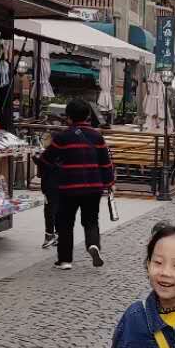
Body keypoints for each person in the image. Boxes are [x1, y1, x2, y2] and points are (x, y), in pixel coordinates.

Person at [39, 97, 115, 270]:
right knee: (91, 220)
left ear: (68, 117)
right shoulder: (97, 136)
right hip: (93, 187)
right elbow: (106, 163)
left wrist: (51, 167)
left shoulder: (62, 137)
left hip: (68, 187)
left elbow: (46, 158)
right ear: (88, 115)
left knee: (65, 222)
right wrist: (109, 183)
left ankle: (65, 260)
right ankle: (93, 244)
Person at [33, 132, 60, 250]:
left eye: (45, 138)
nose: (43, 141)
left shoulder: (51, 152)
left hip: (51, 186)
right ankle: (58, 235)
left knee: (49, 211)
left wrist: (36, 159)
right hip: (60, 185)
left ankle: (49, 235)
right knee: (57, 210)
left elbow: (48, 166)